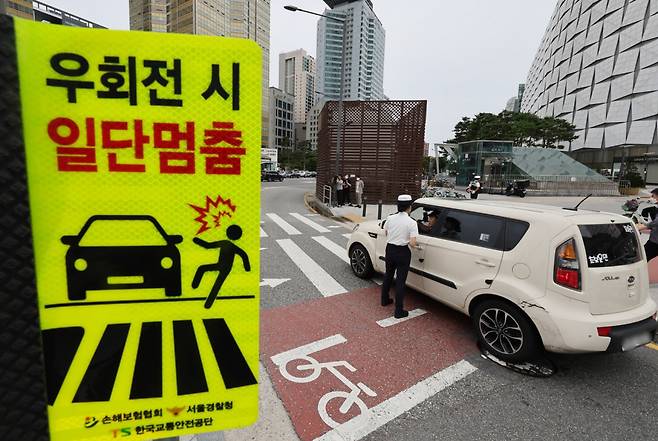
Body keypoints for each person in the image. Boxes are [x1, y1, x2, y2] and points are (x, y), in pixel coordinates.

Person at [192, 225, 251, 309]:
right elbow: (243, 254)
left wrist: (197, 240)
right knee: (216, 284)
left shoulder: (225, 243)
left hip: (221, 266)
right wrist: (247, 267)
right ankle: (201, 294)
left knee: (203, 270)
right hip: (225, 267)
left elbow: (207, 245)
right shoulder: (229, 245)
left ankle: (196, 287)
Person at [381, 194, 420, 318]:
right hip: (403, 252)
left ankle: (384, 299)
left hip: (390, 249)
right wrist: (413, 243)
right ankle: (398, 310)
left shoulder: (390, 218)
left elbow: (386, 232)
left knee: (388, 275)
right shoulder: (412, 222)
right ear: (409, 207)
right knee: (400, 281)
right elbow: (413, 243)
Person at [637, 188, 658, 261]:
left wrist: (644, 226)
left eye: (653, 196)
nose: (652, 198)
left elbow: (656, 222)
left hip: (655, 241)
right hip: (654, 239)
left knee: (643, 257)